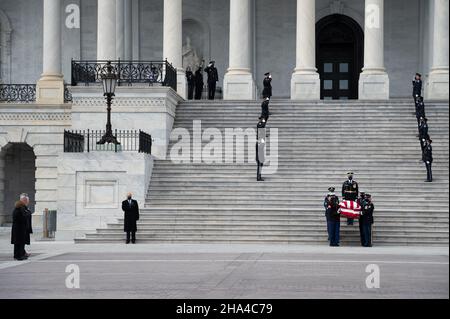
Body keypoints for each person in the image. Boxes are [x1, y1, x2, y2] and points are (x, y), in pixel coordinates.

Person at [11, 193, 33, 261]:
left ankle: (19, 255)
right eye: (26, 201)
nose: (27, 202)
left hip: (18, 229)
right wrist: (28, 212)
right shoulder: (21, 209)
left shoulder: (19, 208)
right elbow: (24, 217)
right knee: (20, 243)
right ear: (24, 200)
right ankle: (19, 256)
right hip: (20, 229)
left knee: (18, 243)